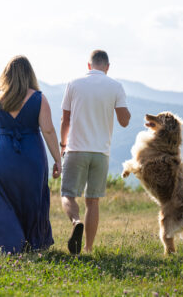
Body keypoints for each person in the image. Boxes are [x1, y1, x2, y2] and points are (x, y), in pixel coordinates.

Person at [0, 55, 62, 254]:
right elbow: (48, 130)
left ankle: (7, 247)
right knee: (33, 199)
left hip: (1, 157)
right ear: (30, 74)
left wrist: (3, 147)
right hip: (31, 157)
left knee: (2, 201)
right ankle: (33, 244)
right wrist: (57, 159)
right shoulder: (38, 98)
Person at [60, 50, 131, 254]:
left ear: (89, 65)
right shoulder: (116, 86)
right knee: (93, 201)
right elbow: (124, 121)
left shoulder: (74, 84)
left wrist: (62, 146)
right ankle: (89, 248)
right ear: (107, 67)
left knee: (68, 195)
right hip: (101, 152)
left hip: (76, 149)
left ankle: (75, 221)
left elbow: (65, 120)